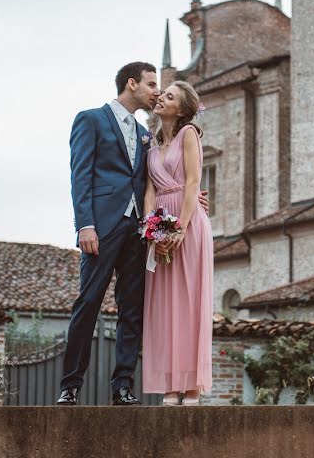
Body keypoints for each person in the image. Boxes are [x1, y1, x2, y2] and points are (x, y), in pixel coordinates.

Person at [57, 63, 207, 406]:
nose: (157, 90)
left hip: (139, 232)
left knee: (132, 310)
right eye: (152, 84)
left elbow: (156, 179)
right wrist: (85, 225)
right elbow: (80, 175)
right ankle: (70, 385)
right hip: (102, 228)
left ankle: (122, 385)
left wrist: (191, 196)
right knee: (89, 303)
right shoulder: (91, 119)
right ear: (132, 84)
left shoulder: (146, 135)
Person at [142, 81, 214, 406]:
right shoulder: (152, 148)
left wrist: (180, 230)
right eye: (163, 93)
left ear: (181, 109)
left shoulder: (189, 135)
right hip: (160, 229)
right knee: (166, 307)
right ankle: (171, 387)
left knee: (190, 304)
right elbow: (149, 193)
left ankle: (193, 387)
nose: (161, 98)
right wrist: (152, 232)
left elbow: (193, 182)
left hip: (188, 225)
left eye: (169, 96)